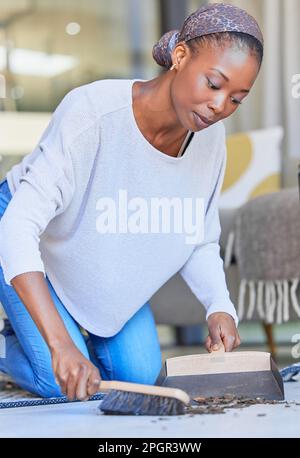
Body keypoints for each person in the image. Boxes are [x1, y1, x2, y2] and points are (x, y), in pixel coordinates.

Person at [0, 3, 263, 401]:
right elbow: (19, 228)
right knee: (62, 379)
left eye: (236, 99)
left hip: (97, 253)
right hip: (30, 232)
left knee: (141, 380)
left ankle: (39, 329)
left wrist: (218, 306)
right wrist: (61, 346)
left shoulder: (210, 141)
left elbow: (197, 235)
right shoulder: (93, 112)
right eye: (213, 83)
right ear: (180, 57)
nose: (220, 106)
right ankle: (16, 342)